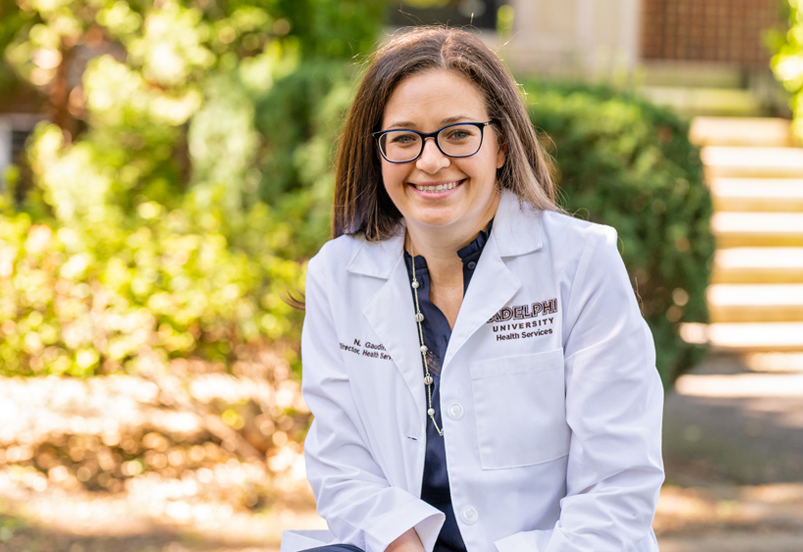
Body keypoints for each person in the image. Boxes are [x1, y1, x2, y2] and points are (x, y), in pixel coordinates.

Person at [281, 26, 664, 552]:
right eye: (404, 138)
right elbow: (340, 461)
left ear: (501, 145)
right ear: (378, 152)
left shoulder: (581, 263)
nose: (431, 160)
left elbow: (618, 486)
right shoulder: (336, 274)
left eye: (458, 133)